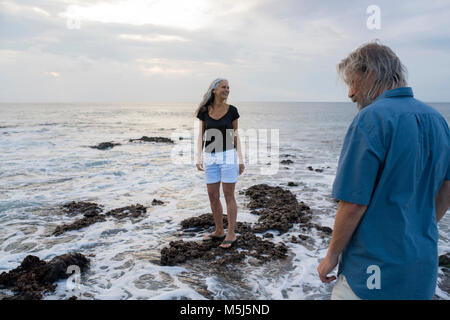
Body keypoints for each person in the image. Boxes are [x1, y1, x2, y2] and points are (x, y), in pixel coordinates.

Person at [317, 41, 450, 299]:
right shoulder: (438, 120)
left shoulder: (371, 119)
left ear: (371, 74)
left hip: (371, 273)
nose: (350, 94)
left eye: (352, 82)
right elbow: (448, 188)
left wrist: (330, 256)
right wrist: (416, 227)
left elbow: (353, 203)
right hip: (420, 271)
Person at [194, 78, 245, 249]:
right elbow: (201, 135)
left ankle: (231, 233)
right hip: (210, 157)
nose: (227, 90)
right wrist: (198, 157)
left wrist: (240, 159)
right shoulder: (204, 110)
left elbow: (236, 136)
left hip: (228, 156)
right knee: (212, 195)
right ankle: (219, 231)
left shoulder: (232, 111)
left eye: (229, 87)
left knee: (229, 195)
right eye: (224, 87)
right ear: (214, 90)